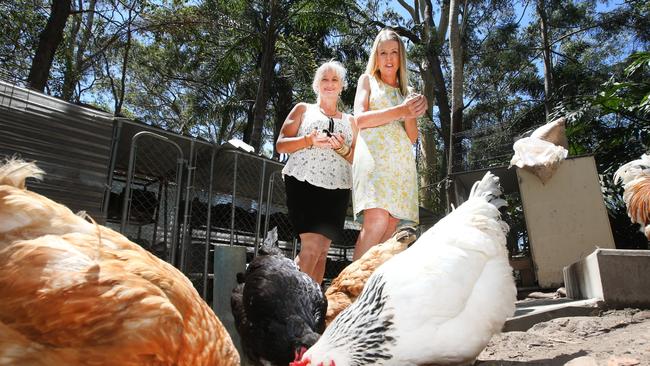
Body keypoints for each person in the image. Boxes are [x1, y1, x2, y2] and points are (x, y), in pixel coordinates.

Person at [276, 60, 356, 284]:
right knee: (310, 248)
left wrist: (341, 147)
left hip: (338, 188)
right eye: (324, 79)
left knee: (322, 253)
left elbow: (355, 158)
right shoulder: (303, 109)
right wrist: (308, 140)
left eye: (335, 80)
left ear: (342, 86)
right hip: (304, 182)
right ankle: (290, 304)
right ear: (316, 84)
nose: (329, 84)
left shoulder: (351, 121)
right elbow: (281, 144)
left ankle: (311, 308)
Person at [352, 28, 427, 260]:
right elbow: (360, 119)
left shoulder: (408, 92)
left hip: (400, 167)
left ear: (401, 57)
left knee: (391, 230)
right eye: (383, 52)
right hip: (374, 161)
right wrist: (401, 110)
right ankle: (344, 292)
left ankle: (372, 291)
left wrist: (412, 110)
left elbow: (412, 137)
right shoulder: (367, 81)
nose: (389, 58)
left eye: (394, 52)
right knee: (376, 221)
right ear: (376, 56)